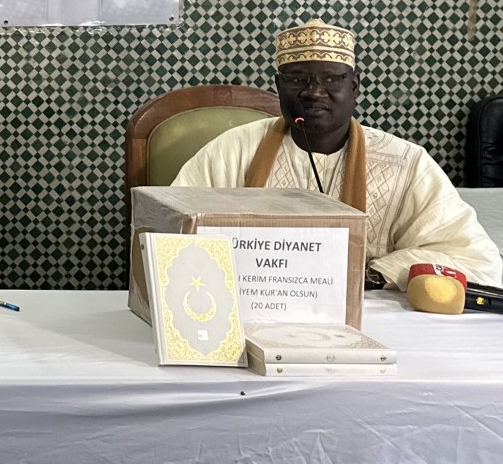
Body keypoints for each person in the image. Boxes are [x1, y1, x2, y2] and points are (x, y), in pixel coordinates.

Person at [173, 18, 502, 290]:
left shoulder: (407, 164)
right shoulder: (232, 151)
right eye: (297, 79)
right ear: (277, 85)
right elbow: (170, 236)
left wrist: (372, 274)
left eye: (331, 78)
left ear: (355, 85)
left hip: (371, 319)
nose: (313, 91)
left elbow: (479, 261)